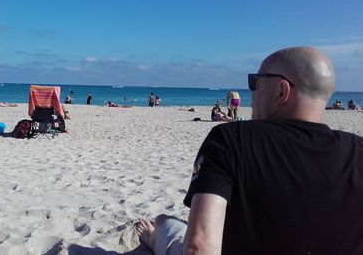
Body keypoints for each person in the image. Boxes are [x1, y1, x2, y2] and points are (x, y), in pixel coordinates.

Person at [136, 46, 363, 254]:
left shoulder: (231, 139)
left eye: (255, 82)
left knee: (166, 223)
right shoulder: (358, 150)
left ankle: (154, 238)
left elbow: (199, 246)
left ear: (281, 90)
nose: (251, 92)